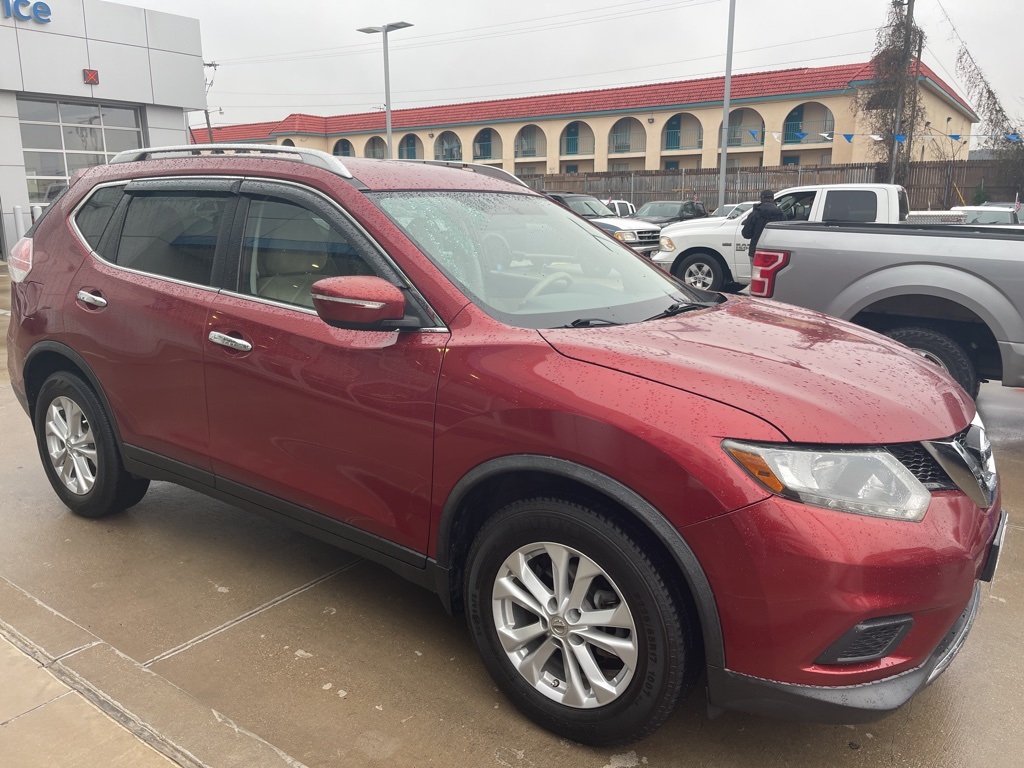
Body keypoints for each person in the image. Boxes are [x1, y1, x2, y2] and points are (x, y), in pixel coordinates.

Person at [742, 189, 785, 260]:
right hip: (776, 251)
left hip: (756, 251)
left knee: (756, 271)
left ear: (762, 198)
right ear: (773, 198)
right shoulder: (781, 214)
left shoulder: (754, 214)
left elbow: (746, 234)